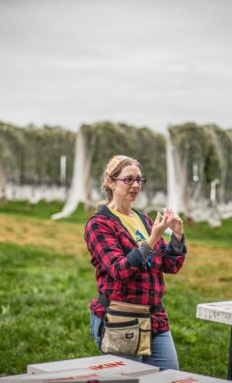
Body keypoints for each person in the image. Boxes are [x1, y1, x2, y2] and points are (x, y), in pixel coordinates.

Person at [85, 155, 187, 370]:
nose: (136, 185)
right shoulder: (99, 224)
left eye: (139, 180)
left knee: (170, 376)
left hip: (155, 316)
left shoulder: (143, 219)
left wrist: (177, 237)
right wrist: (152, 239)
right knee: (130, 378)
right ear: (110, 182)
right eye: (128, 179)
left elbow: (170, 265)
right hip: (121, 318)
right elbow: (120, 269)